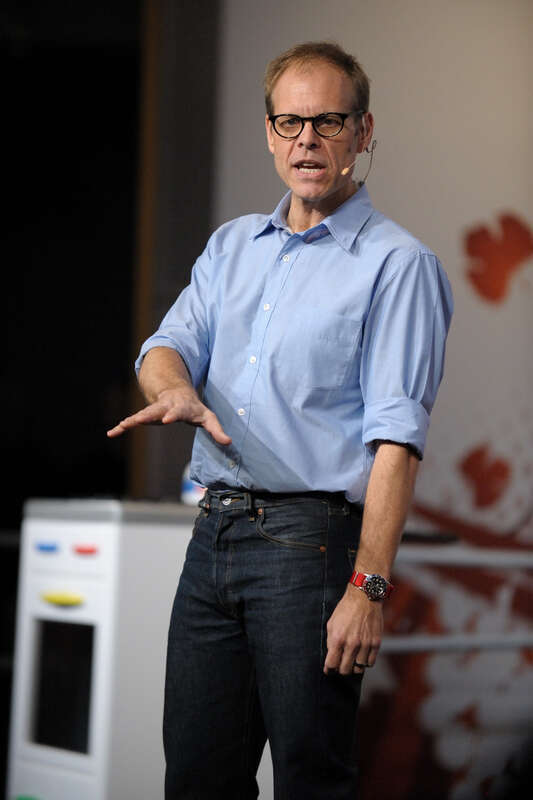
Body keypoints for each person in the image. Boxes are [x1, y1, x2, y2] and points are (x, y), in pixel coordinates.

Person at [108, 41, 453, 800]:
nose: (306, 140)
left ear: (362, 133)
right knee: (197, 779)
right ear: (268, 133)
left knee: (310, 779)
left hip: (310, 550)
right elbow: (163, 346)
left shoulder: (397, 265)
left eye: (327, 122)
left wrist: (367, 586)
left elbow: (396, 441)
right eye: (290, 122)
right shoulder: (231, 246)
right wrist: (174, 390)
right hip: (214, 536)